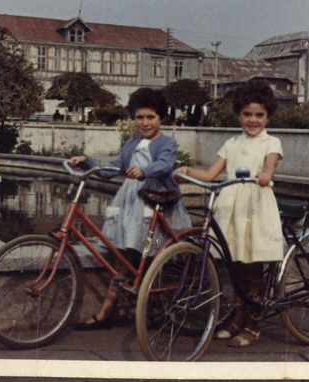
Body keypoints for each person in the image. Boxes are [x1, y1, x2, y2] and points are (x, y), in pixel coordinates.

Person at [69, 88, 191, 330]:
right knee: (125, 254)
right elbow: (111, 169)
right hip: (131, 201)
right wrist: (89, 162)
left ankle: (159, 309)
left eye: (150, 117)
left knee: (153, 256)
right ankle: (107, 312)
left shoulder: (167, 142)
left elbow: (164, 164)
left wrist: (145, 171)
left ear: (162, 118)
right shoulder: (131, 144)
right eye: (139, 117)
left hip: (155, 200)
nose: (144, 123)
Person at [174, 81, 283, 348]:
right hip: (230, 206)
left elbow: (270, 163)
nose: (253, 120)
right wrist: (188, 171)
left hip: (254, 206)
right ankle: (238, 318)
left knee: (252, 266)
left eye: (259, 115)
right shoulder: (231, 143)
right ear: (238, 115)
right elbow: (211, 174)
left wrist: (266, 174)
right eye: (247, 114)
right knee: (234, 265)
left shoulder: (271, 142)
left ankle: (254, 325)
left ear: (267, 116)